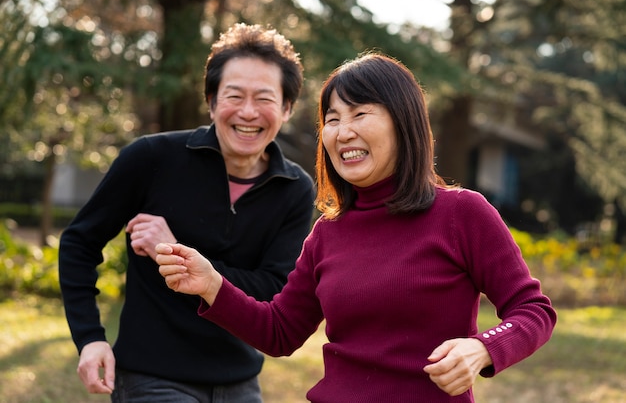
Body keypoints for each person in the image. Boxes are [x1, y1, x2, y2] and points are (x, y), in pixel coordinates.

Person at [154, 52, 557, 402]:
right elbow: (280, 331)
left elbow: (533, 311)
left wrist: (482, 348)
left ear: (403, 122)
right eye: (332, 119)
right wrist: (212, 285)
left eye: (360, 114)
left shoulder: (461, 213)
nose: (342, 131)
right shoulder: (327, 234)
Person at [58, 23, 315, 402]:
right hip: (151, 376)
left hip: (240, 380)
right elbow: (80, 242)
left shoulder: (296, 189)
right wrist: (90, 338)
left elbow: (272, 291)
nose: (248, 112)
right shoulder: (150, 158)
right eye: (233, 95)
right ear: (211, 101)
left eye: (264, 98)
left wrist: (175, 251)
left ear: (287, 108)